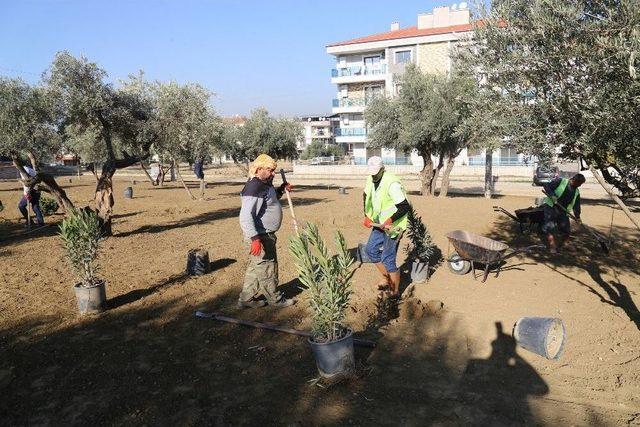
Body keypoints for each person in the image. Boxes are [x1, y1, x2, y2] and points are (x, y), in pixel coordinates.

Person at [237, 154, 295, 309]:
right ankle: (275, 300)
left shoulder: (264, 184)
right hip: (260, 236)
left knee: (257, 268)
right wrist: (255, 239)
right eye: (270, 170)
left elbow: (270, 200)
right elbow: (245, 216)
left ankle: (245, 299)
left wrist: (281, 190)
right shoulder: (254, 187)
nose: (273, 173)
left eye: (274, 170)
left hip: (265, 234)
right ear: (259, 169)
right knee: (268, 267)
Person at [363, 156, 410, 297]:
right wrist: (366, 215)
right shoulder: (370, 179)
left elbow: (404, 206)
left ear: (383, 169)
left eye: (376, 172)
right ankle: (387, 278)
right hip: (379, 223)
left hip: (394, 226)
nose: (374, 175)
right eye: (372, 172)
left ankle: (395, 291)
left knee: (388, 257)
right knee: (370, 250)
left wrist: (390, 220)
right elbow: (365, 196)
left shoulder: (392, 183)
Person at [542, 173, 585, 253]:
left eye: (581, 184)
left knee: (566, 229)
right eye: (579, 184)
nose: (579, 186)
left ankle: (566, 244)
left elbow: (576, 205)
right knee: (550, 227)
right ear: (574, 180)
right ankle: (552, 246)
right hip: (551, 207)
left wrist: (577, 217)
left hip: (563, 210)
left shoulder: (576, 191)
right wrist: (552, 195)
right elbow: (547, 185)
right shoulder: (561, 181)